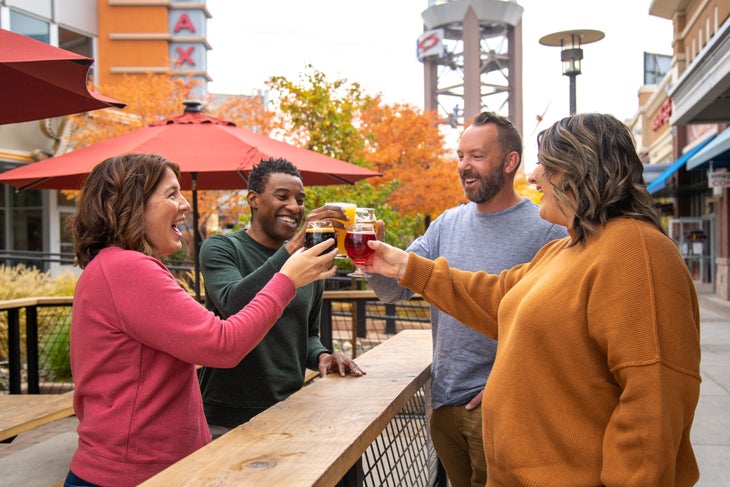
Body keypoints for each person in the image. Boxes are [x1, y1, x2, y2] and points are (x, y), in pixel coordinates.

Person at [363, 113, 701, 486]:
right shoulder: (570, 248)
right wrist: (402, 265)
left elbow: (654, 407)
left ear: (580, 169)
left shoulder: (638, 252)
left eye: (544, 165)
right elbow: (496, 297)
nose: (532, 176)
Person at [63, 153, 337, 487]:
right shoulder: (128, 269)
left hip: (163, 465)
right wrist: (286, 279)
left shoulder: (119, 267)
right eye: (171, 194)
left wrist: (321, 352)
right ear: (134, 204)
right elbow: (223, 344)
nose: (185, 205)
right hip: (132, 473)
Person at [367, 111, 566, 487]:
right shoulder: (446, 224)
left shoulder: (547, 229)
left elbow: (557, 329)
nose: (464, 166)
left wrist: (508, 386)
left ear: (510, 162)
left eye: (476, 156)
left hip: (505, 407)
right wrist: (368, 257)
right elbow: (394, 290)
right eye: (460, 156)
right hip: (444, 403)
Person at [198, 157, 365, 434]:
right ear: (253, 198)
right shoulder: (222, 247)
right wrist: (295, 246)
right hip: (226, 415)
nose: (294, 207)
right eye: (282, 196)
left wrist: (322, 355)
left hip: (288, 408)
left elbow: (308, 333)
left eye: (300, 200)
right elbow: (233, 304)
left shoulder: (308, 262)